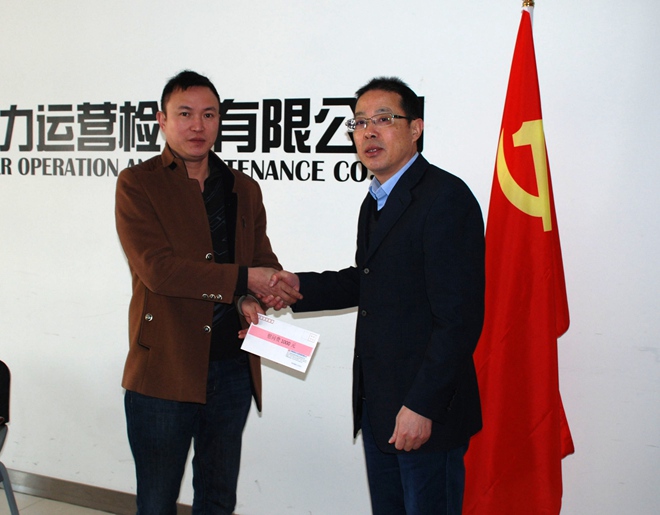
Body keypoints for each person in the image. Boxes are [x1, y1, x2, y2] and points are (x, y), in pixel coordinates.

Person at [266, 77, 485, 515]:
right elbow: (368, 280)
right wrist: (294, 287)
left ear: (416, 128)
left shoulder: (445, 198)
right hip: (379, 404)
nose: (368, 132)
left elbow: (458, 320)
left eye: (384, 119)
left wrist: (421, 406)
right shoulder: (377, 200)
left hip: (424, 412)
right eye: (360, 122)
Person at [115, 70, 301, 515]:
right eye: (185, 114)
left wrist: (256, 296)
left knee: (218, 498)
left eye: (209, 115)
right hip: (165, 367)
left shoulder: (243, 188)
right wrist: (244, 281)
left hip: (232, 367)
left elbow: (260, 260)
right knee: (157, 501)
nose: (198, 125)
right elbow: (159, 272)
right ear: (162, 120)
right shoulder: (138, 184)